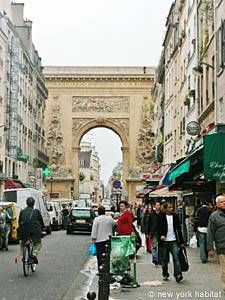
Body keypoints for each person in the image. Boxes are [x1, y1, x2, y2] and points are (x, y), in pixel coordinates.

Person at [158, 202, 184, 283]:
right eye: (169, 207)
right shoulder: (161, 217)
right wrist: (161, 235)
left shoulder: (175, 216)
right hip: (164, 241)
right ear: (165, 208)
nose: (171, 209)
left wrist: (181, 242)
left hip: (174, 241)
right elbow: (158, 228)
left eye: (172, 207)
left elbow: (179, 229)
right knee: (165, 260)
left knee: (176, 258)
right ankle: (165, 273)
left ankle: (178, 274)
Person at [18, 197, 44, 264]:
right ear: (33, 204)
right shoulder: (36, 211)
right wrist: (42, 228)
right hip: (34, 231)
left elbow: (19, 222)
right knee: (38, 244)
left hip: (24, 231)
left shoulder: (22, 211)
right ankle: (34, 254)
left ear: (26, 203)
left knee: (22, 243)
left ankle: (22, 255)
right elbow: (41, 221)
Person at [207, 195, 225, 291]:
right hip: (222, 246)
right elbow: (210, 233)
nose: (224, 203)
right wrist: (210, 248)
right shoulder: (214, 216)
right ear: (217, 204)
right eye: (222, 202)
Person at [91, 206, 115, 270]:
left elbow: (94, 230)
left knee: (99, 256)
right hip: (108, 240)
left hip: (99, 240)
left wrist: (93, 239)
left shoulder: (96, 219)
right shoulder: (109, 218)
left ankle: (100, 268)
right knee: (108, 255)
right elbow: (114, 224)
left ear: (98, 212)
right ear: (105, 212)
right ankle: (108, 268)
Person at [148, 201, 162, 265]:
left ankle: (160, 259)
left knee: (160, 246)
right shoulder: (151, 214)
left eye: (159, 205)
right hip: (154, 232)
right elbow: (149, 223)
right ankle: (155, 259)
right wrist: (148, 232)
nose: (158, 206)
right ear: (155, 206)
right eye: (157, 205)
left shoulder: (162, 214)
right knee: (154, 246)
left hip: (161, 232)